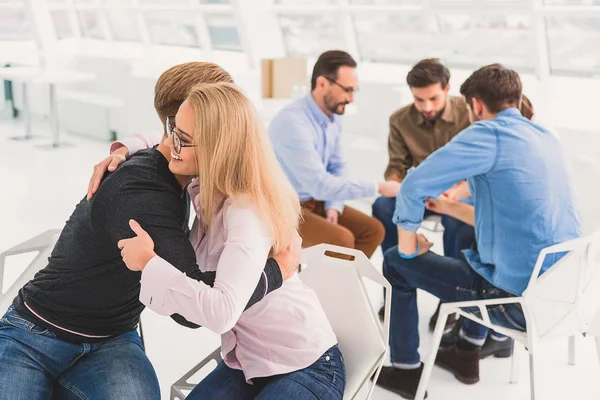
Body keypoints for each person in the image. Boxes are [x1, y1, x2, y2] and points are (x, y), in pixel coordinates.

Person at [0, 62, 298, 400]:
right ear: (184, 122)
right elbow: (192, 312)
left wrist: (124, 144)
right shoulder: (143, 195)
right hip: (33, 335)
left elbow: (159, 137)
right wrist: (277, 271)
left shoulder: (181, 172)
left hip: (112, 339)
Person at [117, 82, 345, 399]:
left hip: (305, 364)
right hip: (246, 364)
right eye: (173, 131)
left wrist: (149, 263)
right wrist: (125, 147)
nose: (170, 144)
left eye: (181, 139)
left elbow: (223, 311)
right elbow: (162, 139)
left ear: (217, 150)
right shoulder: (203, 191)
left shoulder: (246, 213)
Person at [375, 64, 581, 399]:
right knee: (471, 247)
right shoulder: (545, 137)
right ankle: (470, 345)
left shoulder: (487, 133)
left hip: (514, 304)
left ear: (477, 105)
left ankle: (406, 372)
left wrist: (411, 248)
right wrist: (449, 206)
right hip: (563, 299)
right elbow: (510, 217)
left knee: (396, 262)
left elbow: (412, 186)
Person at [371, 58, 475, 330]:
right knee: (383, 206)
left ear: (447, 88)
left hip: (459, 193)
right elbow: (397, 167)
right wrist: (396, 186)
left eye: (433, 98)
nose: (426, 107)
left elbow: (478, 168)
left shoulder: (470, 114)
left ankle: (451, 300)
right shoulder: (400, 120)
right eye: (419, 99)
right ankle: (396, 285)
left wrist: (452, 195)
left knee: (458, 220)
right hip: (423, 193)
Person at [268, 50, 397, 258]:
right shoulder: (293, 123)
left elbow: (336, 166)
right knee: (342, 240)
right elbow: (320, 184)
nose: (351, 98)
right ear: (322, 84)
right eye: (347, 90)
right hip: (285, 208)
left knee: (373, 230)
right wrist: (379, 187)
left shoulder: (333, 116)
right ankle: (333, 288)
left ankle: (339, 286)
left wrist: (333, 206)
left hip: (314, 199)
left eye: (354, 90)